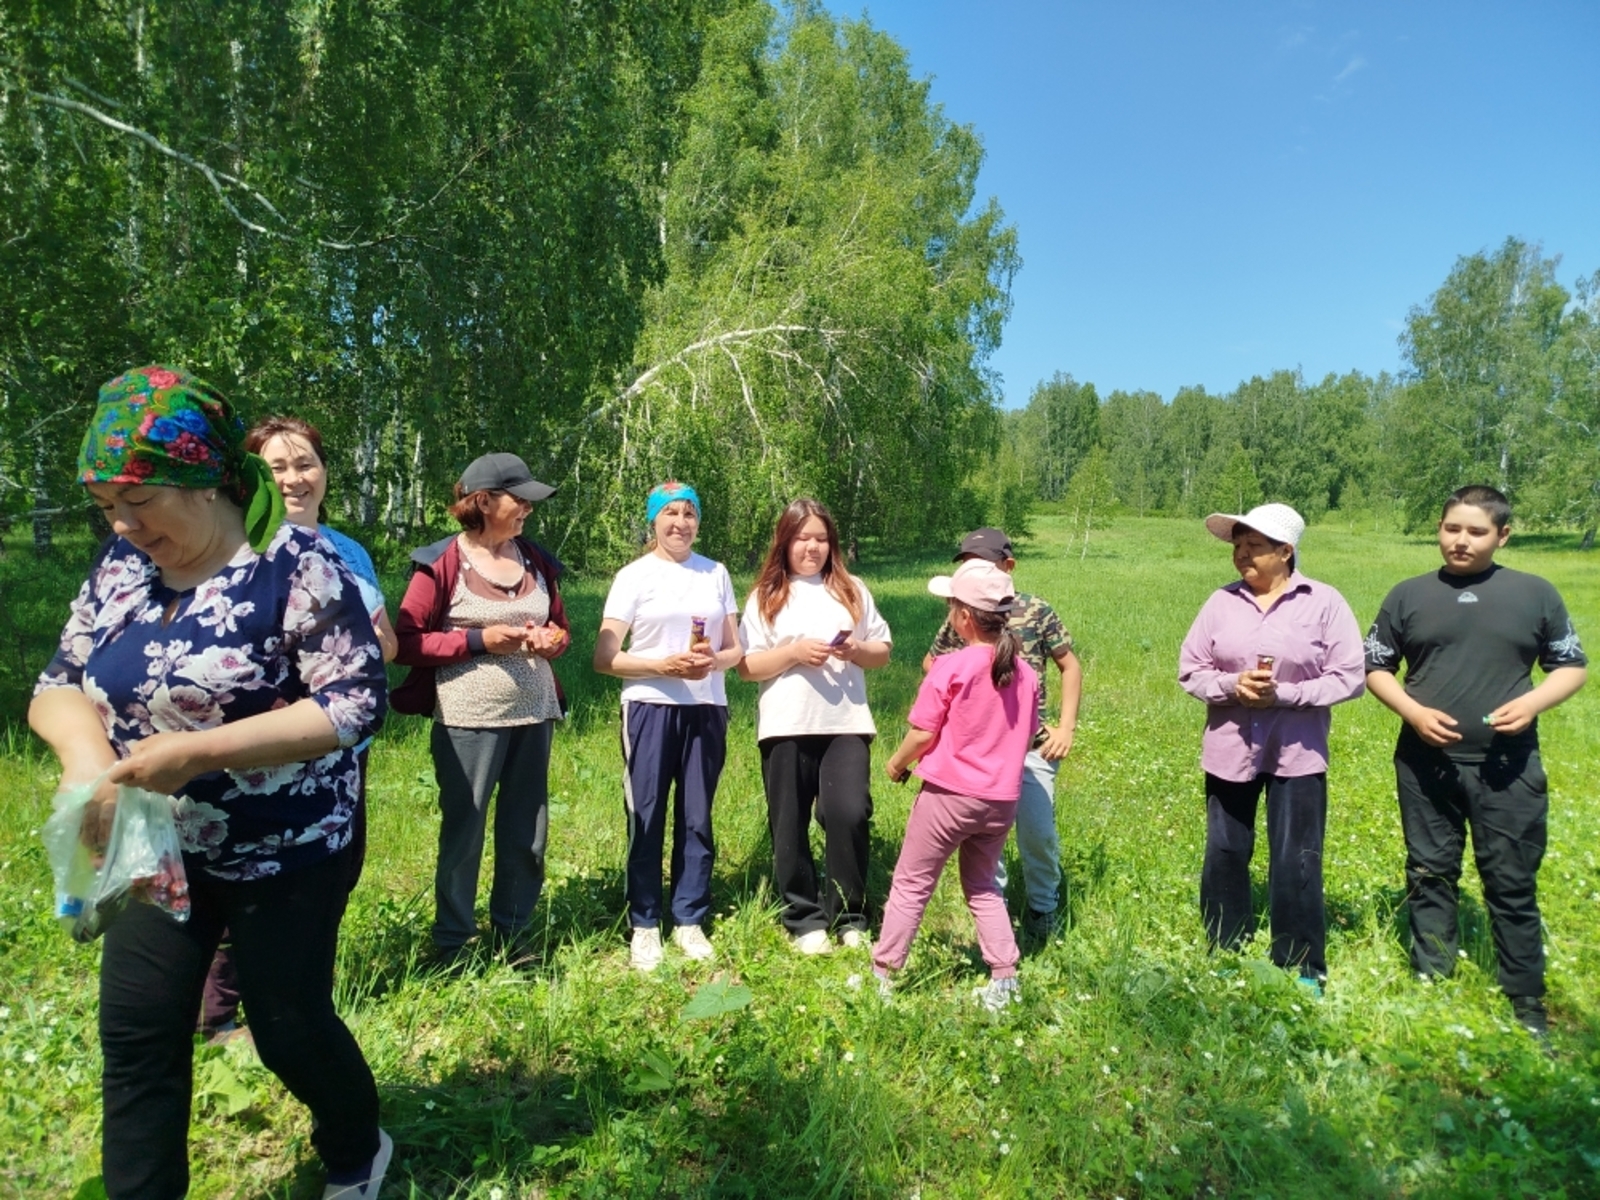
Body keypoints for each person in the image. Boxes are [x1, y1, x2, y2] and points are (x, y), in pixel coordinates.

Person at [29, 366, 391, 1200]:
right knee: (137, 1036)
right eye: (105, 505)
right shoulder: (120, 567)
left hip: (286, 848)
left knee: (288, 1026)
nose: (123, 523)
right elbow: (58, 683)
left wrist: (199, 753)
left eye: (138, 498)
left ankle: (356, 1149)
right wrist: (88, 766)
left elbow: (354, 702)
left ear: (203, 480)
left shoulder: (294, 563)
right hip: (152, 846)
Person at [195, 416, 399, 1041]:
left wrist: (355, 648)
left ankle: (298, 1004)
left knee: (332, 872)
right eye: (276, 466)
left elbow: (385, 643)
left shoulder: (349, 552)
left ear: (325, 471)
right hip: (260, 752)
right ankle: (219, 1014)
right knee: (248, 878)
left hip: (342, 748)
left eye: (305, 463)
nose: (294, 478)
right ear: (249, 475)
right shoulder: (234, 547)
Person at [1364, 485, 1587, 1036]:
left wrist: (1532, 703)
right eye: (1451, 528)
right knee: (1429, 872)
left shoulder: (1534, 593)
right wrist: (1413, 712)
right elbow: (1375, 667)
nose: (1460, 541)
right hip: (1425, 763)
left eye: (1476, 531)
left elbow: (1570, 666)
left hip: (1507, 766)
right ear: (1439, 528)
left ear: (1502, 535)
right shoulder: (1408, 595)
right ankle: (1432, 981)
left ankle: (1526, 1001)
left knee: (1511, 881)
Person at [1177, 503, 1365, 991]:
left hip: (1296, 753)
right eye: (1238, 545)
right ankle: (1225, 951)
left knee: (1296, 857)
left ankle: (1301, 966)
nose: (1241, 554)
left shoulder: (1324, 603)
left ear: (1285, 551)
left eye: (1253, 546)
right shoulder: (1220, 603)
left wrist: (1285, 695)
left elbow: (1349, 677)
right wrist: (1231, 686)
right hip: (1229, 751)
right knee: (1225, 852)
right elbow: (1191, 669)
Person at [391, 453, 570, 963]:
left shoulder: (535, 559)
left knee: (527, 832)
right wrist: (478, 641)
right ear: (484, 501)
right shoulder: (441, 562)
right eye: (520, 500)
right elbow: (405, 643)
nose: (528, 509)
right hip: (468, 720)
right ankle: (452, 942)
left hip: (535, 713)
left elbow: (560, 627)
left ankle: (515, 935)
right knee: (464, 831)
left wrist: (553, 641)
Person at [875, 559, 1040, 1011]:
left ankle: (882, 975)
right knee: (983, 886)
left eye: (951, 606)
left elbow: (923, 734)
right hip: (1001, 800)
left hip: (949, 796)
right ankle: (1004, 979)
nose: (949, 613)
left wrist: (896, 763)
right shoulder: (1026, 673)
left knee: (912, 883)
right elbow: (1027, 735)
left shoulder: (952, 666)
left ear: (964, 616)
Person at [593, 481, 742, 971]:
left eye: (689, 513)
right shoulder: (633, 576)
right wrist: (663, 667)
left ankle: (689, 918)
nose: (680, 523)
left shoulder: (716, 573)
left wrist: (711, 661)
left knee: (697, 816)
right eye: (670, 514)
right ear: (653, 520)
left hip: (707, 706)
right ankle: (644, 922)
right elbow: (605, 657)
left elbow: (735, 649)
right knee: (647, 813)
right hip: (650, 706)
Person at [737, 499, 893, 954]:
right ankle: (804, 918)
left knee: (848, 811)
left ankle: (849, 914)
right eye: (802, 538)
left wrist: (856, 651)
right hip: (786, 723)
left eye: (821, 539)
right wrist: (793, 653)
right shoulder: (766, 595)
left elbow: (882, 650)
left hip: (845, 721)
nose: (812, 547)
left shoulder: (851, 589)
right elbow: (746, 667)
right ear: (785, 542)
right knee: (789, 823)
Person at [923, 528, 1081, 943]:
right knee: (983, 840)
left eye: (981, 564)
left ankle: (1043, 907)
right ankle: (995, 915)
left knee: (1037, 832)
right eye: (965, 566)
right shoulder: (962, 615)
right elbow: (932, 663)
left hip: (1032, 747)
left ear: (1008, 567)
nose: (971, 573)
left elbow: (1070, 665)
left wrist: (1065, 726)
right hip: (979, 748)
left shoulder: (1036, 610)